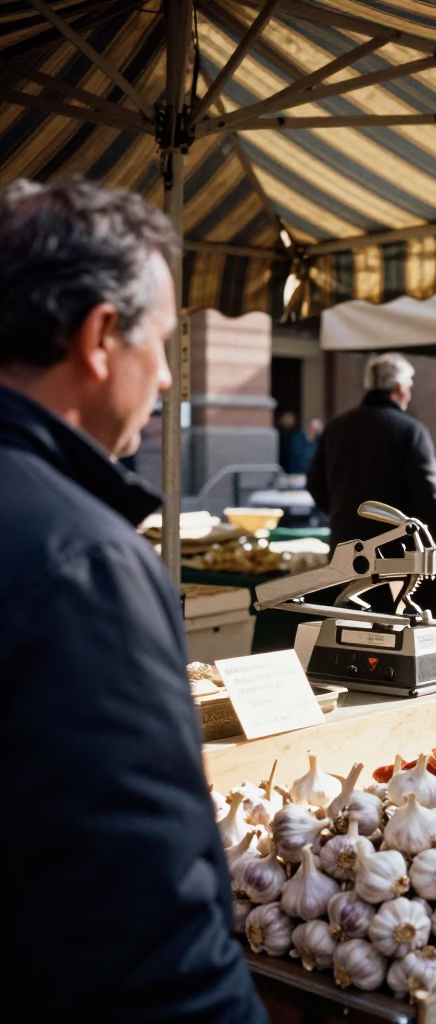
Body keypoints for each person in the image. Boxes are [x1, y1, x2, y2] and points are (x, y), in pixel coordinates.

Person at [0, 180, 265, 1020]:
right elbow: (155, 941)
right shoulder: (87, 562)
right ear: (102, 337)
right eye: (164, 343)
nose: (168, 382)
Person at [308, 352, 436, 551]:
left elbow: (315, 484)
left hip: (345, 545)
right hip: (396, 551)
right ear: (400, 388)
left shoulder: (336, 427)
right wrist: (431, 538)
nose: (409, 393)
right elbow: (431, 495)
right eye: (409, 386)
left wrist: (345, 516)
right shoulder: (410, 430)